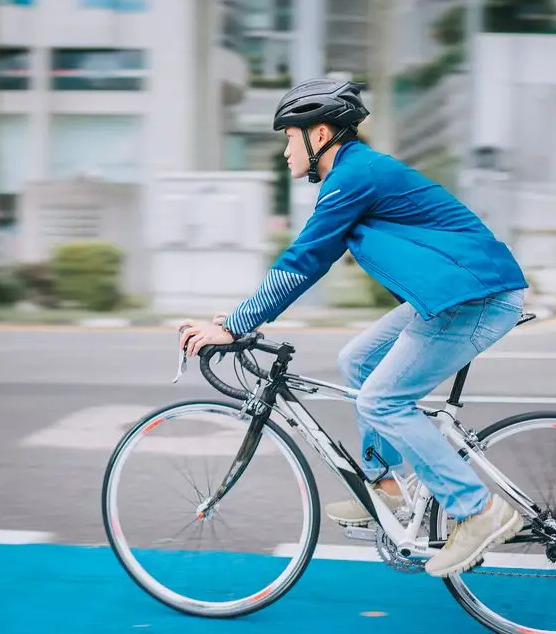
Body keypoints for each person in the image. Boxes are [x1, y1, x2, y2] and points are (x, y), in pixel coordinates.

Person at [179, 77, 529, 579]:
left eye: (287, 137)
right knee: (358, 361)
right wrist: (238, 320)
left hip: (475, 298)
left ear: (318, 135)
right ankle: (384, 489)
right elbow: (310, 260)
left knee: (382, 400)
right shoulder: (358, 174)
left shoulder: (354, 176)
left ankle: (477, 510)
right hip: (451, 297)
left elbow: (305, 261)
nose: (284, 152)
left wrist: (236, 325)